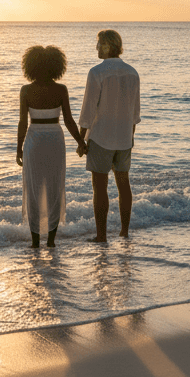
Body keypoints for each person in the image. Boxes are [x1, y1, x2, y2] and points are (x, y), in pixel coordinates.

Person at [16, 45, 86, 248]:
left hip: (34, 139)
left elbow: (22, 123)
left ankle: (35, 242)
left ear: (31, 66)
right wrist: (81, 142)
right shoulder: (60, 89)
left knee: (34, 189)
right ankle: (52, 242)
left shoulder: (26, 90)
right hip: (55, 138)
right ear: (57, 66)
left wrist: (18, 149)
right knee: (55, 187)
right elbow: (69, 121)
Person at [79, 29, 140, 243]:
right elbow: (135, 113)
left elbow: (88, 111)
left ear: (106, 46)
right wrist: (130, 138)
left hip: (101, 137)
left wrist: (81, 140)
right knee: (124, 184)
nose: (96, 48)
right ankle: (124, 231)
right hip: (124, 138)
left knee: (100, 187)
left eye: (98, 44)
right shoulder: (132, 73)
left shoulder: (97, 72)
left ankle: (102, 235)